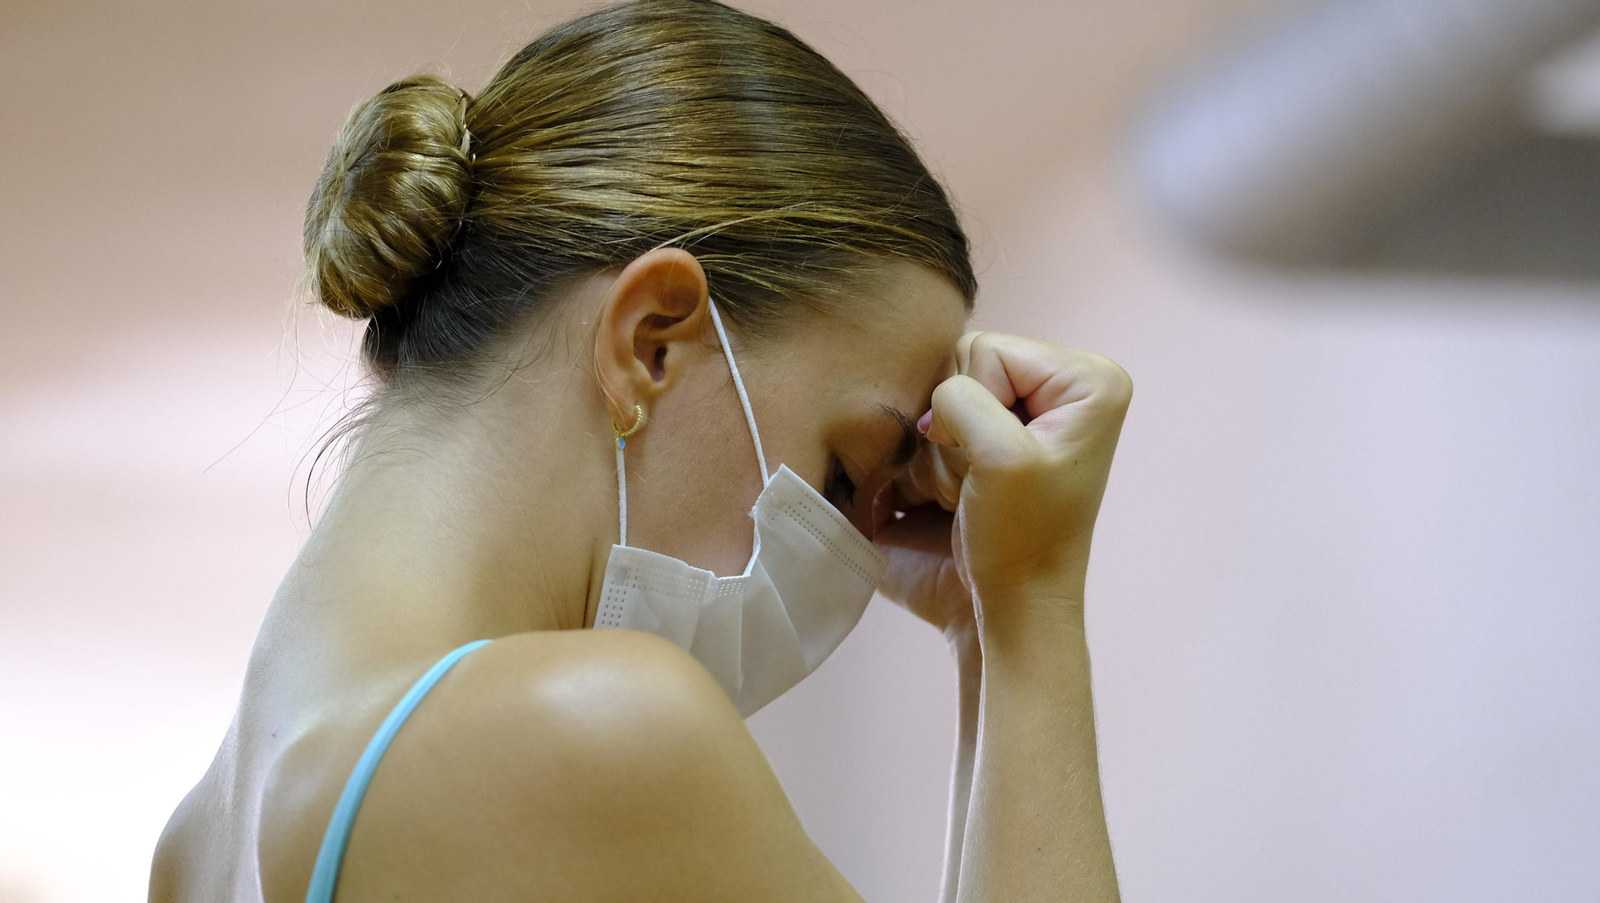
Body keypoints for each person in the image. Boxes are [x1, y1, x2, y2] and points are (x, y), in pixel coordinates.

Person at [147, 1, 1134, 901]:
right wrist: (1027, 609)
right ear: (650, 342)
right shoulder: (586, 728)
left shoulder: (195, 849)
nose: (869, 545)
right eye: (848, 472)